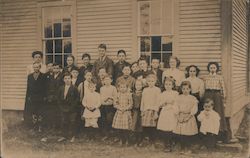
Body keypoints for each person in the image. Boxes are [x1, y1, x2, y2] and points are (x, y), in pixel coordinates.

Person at [203, 62, 228, 142]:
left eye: (214, 68)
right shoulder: (205, 77)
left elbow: (223, 88)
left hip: (217, 96)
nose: (212, 69)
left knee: (218, 113)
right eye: (211, 68)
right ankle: (208, 134)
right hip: (208, 94)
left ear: (217, 68)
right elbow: (203, 88)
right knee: (208, 113)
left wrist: (224, 100)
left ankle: (219, 136)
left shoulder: (219, 77)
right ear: (208, 69)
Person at [173, 81, 198, 154]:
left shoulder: (193, 98)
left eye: (187, 89)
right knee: (181, 133)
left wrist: (189, 116)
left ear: (190, 89)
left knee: (188, 133)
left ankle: (188, 147)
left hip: (189, 116)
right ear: (181, 89)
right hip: (181, 116)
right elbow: (175, 107)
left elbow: (194, 108)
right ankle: (182, 147)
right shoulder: (178, 97)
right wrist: (178, 116)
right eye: (183, 89)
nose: (185, 90)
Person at [157, 77, 179, 152]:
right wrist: (165, 103)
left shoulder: (175, 93)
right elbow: (159, 104)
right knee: (165, 128)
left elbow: (177, 102)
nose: (168, 86)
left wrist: (173, 104)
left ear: (173, 85)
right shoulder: (163, 93)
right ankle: (166, 144)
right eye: (166, 84)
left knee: (172, 127)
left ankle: (172, 142)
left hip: (172, 112)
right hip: (165, 112)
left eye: (170, 84)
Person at [57, 72, 80, 143]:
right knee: (64, 122)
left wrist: (71, 108)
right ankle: (64, 136)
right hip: (63, 108)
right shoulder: (61, 88)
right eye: (65, 78)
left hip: (72, 109)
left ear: (71, 79)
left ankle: (73, 136)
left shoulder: (74, 88)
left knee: (72, 122)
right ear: (63, 80)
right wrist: (61, 107)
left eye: (69, 78)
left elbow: (77, 99)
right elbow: (58, 99)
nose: (67, 80)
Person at [24, 62, 46, 131]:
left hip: (40, 97)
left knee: (40, 112)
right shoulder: (30, 76)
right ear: (33, 68)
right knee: (33, 112)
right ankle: (34, 126)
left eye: (37, 67)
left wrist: (44, 96)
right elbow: (28, 87)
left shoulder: (43, 76)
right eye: (34, 67)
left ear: (40, 68)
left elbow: (46, 87)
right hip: (32, 97)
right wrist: (28, 96)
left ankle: (40, 126)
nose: (36, 68)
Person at [140, 74, 161, 146]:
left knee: (152, 126)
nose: (150, 82)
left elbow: (158, 101)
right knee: (145, 125)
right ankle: (146, 139)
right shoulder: (145, 90)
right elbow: (143, 101)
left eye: (152, 81)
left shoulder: (157, 90)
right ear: (147, 82)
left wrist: (156, 111)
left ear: (155, 81)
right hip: (146, 110)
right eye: (149, 81)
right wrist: (142, 110)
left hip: (153, 110)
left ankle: (153, 140)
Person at [112, 81, 133, 146]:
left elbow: (131, 104)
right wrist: (120, 108)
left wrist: (126, 108)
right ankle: (121, 140)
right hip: (119, 112)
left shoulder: (129, 95)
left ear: (127, 88)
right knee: (120, 128)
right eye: (121, 87)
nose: (122, 88)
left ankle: (127, 140)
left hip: (126, 113)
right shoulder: (117, 95)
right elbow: (115, 104)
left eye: (124, 87)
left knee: (126, 128)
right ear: (118, 88)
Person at [100, 74, 118, 140]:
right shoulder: (102, 88)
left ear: (111, 80)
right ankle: (106, 134)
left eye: (108, 80)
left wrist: (110, 98)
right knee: (104, 120)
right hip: (104, 106)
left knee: (110, 120)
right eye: (105, 80)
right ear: (103, 81)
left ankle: (113, 135)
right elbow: (101, 98)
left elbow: (115, 97)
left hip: (111, 107)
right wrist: (106, 98)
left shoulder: (113, 88)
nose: (107, 81)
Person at [131, 79, 144, 146]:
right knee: (134, 124)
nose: (138, 86)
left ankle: (140, 140)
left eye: (139, 85)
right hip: (134, 111)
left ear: (142, 85)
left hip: (141, 110)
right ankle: (135, 140)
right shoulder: (132, 94)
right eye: (137, 85)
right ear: (134, 85)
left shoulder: (143, 93)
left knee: (140, 125)